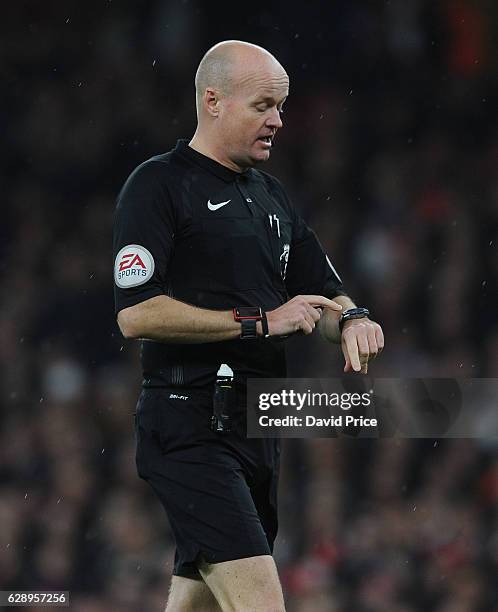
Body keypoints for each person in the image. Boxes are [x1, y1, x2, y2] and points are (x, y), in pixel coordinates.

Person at [113, 40, 384, 612]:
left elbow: (325, 298)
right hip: (188, 422)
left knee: (201, 603)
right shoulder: (158, 185)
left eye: (281, 107)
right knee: (261, 602)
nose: (278, 121)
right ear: (213, 101)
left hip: (257, 425)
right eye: (264, 105)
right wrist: (260, 322)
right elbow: (137, 313)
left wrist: (353, 320)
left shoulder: (271, 197)